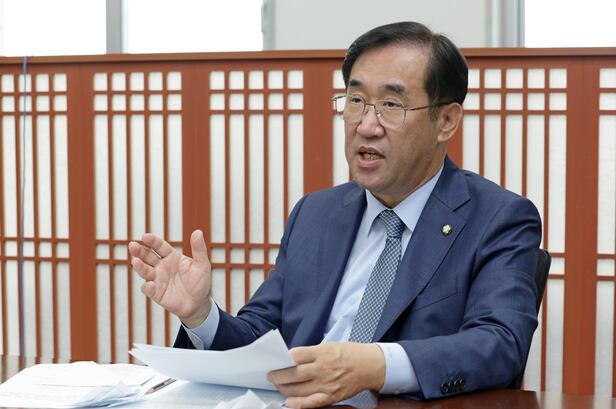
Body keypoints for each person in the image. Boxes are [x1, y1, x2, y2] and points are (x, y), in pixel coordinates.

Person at [128, 21, 541, 408]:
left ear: (446, 121)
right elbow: (260, 342)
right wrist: (201, 315)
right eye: (356, 101)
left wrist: (375, 366)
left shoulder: (497, 218)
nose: (366, 125)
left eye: (391, 105)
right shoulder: (316, 213)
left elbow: (499, 343)